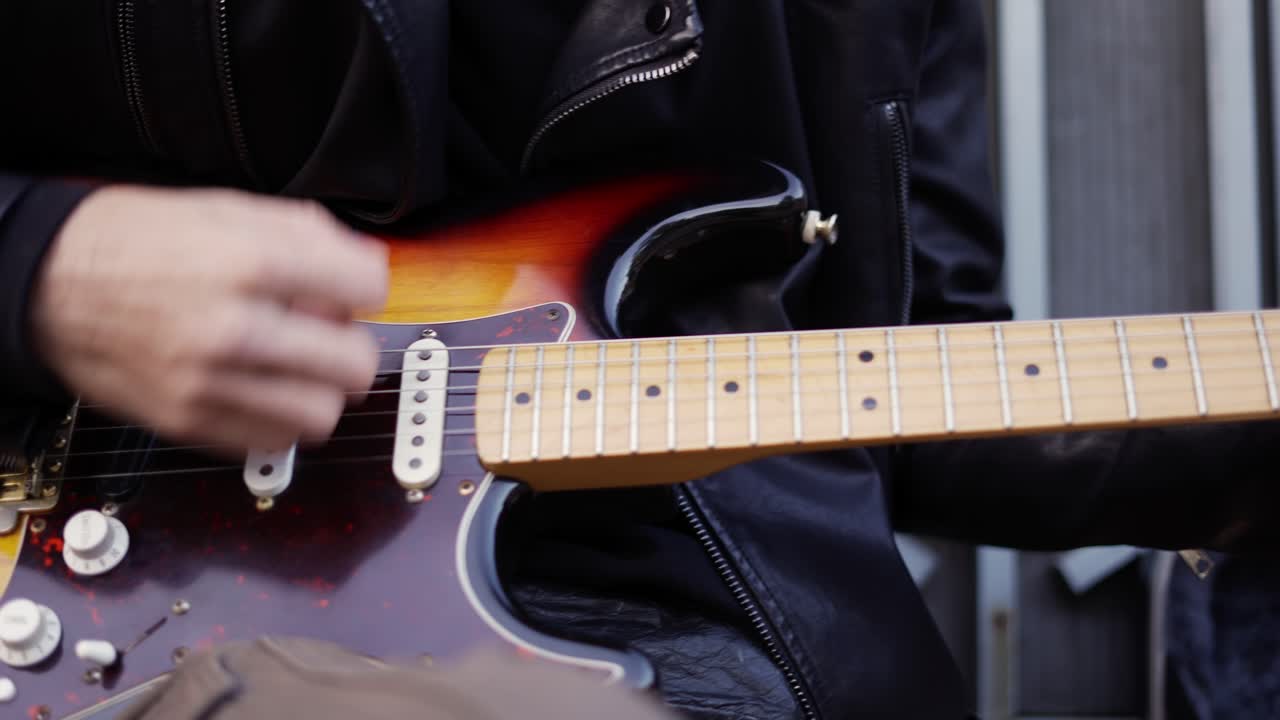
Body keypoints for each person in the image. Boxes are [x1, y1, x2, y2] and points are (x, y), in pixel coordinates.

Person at [2, 1, 1277, 718]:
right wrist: (42, 263)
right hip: (118, 600)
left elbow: (905, 367)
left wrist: (1239, 450)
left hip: (687, 634)